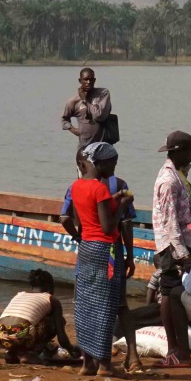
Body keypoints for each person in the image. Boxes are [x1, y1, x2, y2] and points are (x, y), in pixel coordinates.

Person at [62, 151, 137, 368]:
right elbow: (108, 227)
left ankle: (87, 364)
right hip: (108, 251)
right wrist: (122, 205)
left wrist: (111, 201)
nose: (114, 168)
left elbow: (76, 218)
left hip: (86, 248)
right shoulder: (100, 188)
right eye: (112, 163)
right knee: (107, 304)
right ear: (99, 163)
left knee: (86, 304)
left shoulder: (76, 186)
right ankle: (105, 365)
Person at [147, 131, 191, 367]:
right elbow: (169, 222)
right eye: (190, 151)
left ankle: (179, 351)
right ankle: (175, 350)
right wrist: (183, 254)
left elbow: (184, 214)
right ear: (179, 152)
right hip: (171, 247)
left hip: (181, 244)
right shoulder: (167, 181)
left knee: (173, 295)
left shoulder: (177, 176)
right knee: (169, 295)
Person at [0, 269, 78, 364]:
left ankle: (12, 353)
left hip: (1, 335)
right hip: (22, 334)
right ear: (51, 287)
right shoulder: (51, 299)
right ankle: (30, 354)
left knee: (30, 322)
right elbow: (62, 338)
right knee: (59, 321)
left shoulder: (20, 294)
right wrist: (72, 349)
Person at [61, 68, 113, 156]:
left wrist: (85, 100)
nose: (88, 82)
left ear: (95, 80)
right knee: (85, 168)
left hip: (103, 147)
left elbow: (99, 116)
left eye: (91, 79)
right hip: (85, 148)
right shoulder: (73, 101)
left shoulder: (103, 94)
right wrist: (74, 130)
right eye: (85, 79)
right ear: (80, 80)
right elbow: (64, 119)